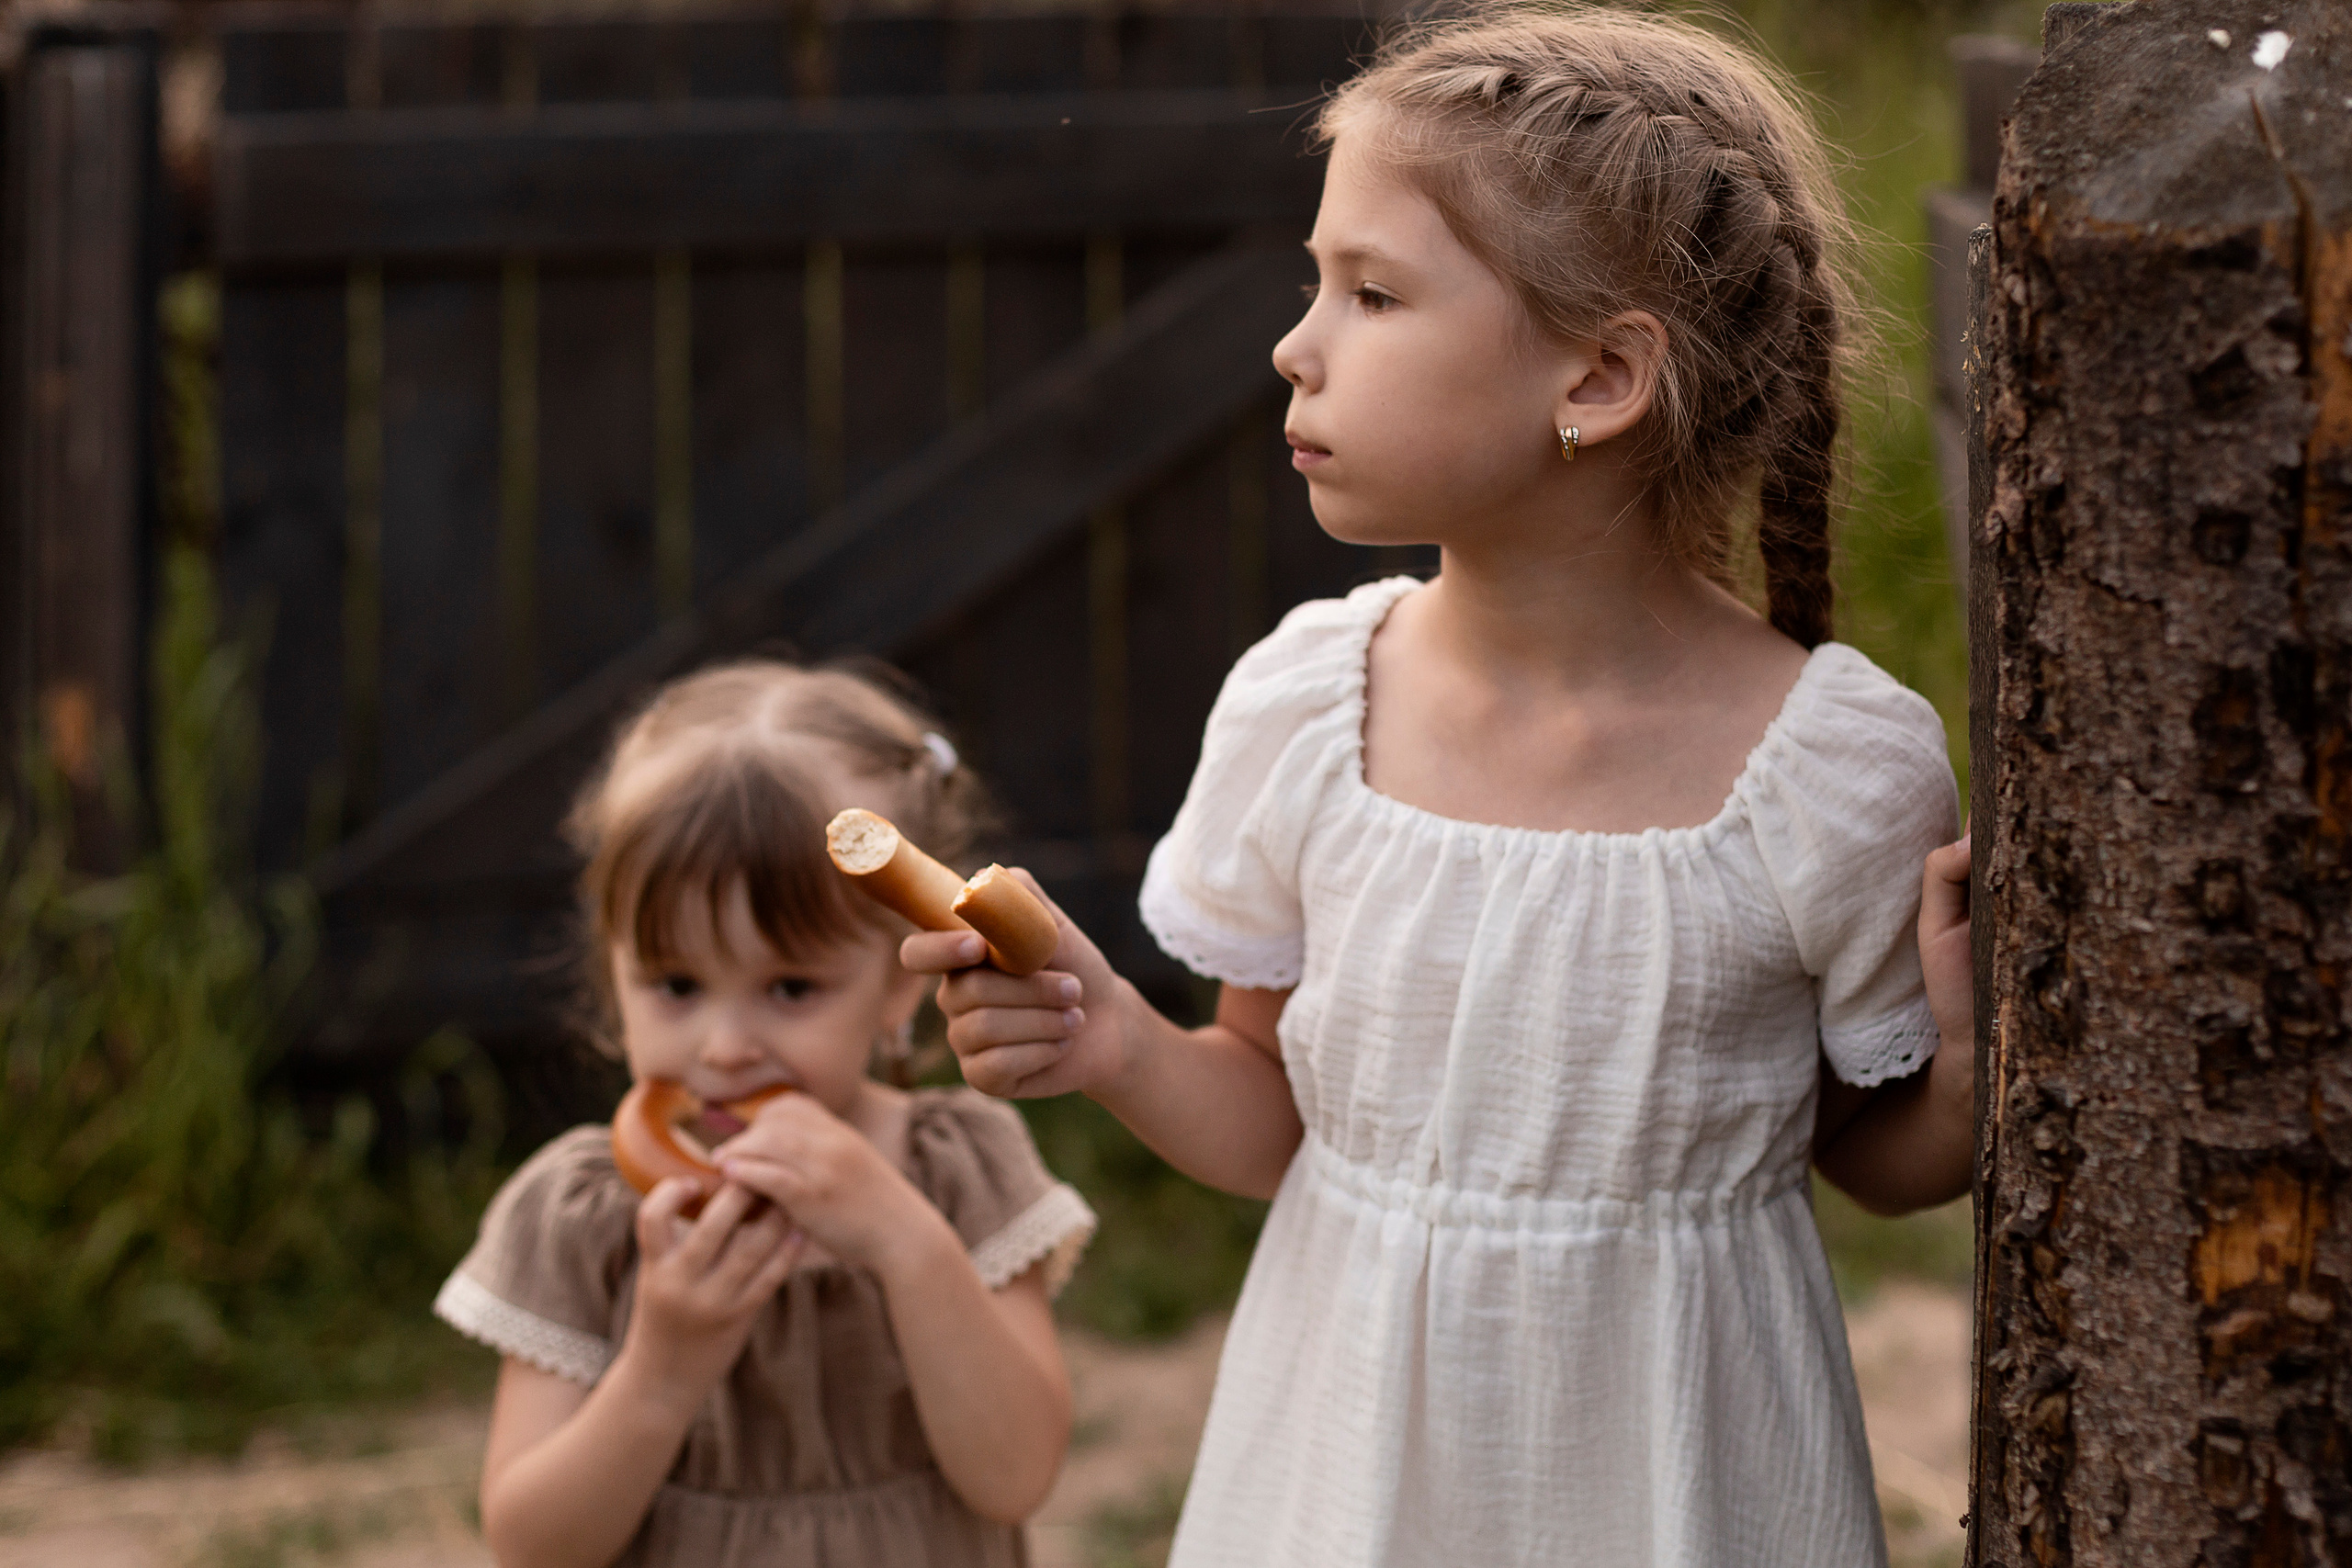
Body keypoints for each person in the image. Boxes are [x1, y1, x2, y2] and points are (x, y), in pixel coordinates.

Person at [904, 8, 1971, 1563]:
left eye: (1373, 292)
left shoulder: (1833, 772)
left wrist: (1977, 1063)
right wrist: (1107, 1038)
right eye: (1313, 283)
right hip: (1350, 1481)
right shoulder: (1308, 712)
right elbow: (1284, 1126)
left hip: (1683, 1485)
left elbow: (1874, 1165)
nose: (1296, 343)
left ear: (1600, 379)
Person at [434, 661, 1095, 1568]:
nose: (724, 1046)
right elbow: (532, 1545)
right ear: (612, 968)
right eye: (675, 984)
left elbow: (1014, 1477)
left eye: (789, 987)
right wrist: (662, 1372)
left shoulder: (952, 1173)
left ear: (900, 985)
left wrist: (905, 1241)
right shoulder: (584, 1216)